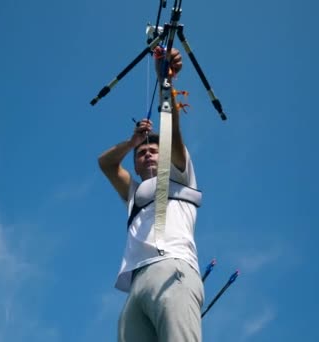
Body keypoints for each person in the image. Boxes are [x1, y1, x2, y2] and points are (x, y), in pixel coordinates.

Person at [98, 47, 204, 342]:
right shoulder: (134, 192)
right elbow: (106, 163)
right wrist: (131, 141)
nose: (146, 154)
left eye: (153, 150)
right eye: (141, 153)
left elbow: (171, 130)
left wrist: (166, 83)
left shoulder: (179, 175)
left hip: (172, 266)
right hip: (136, 285)